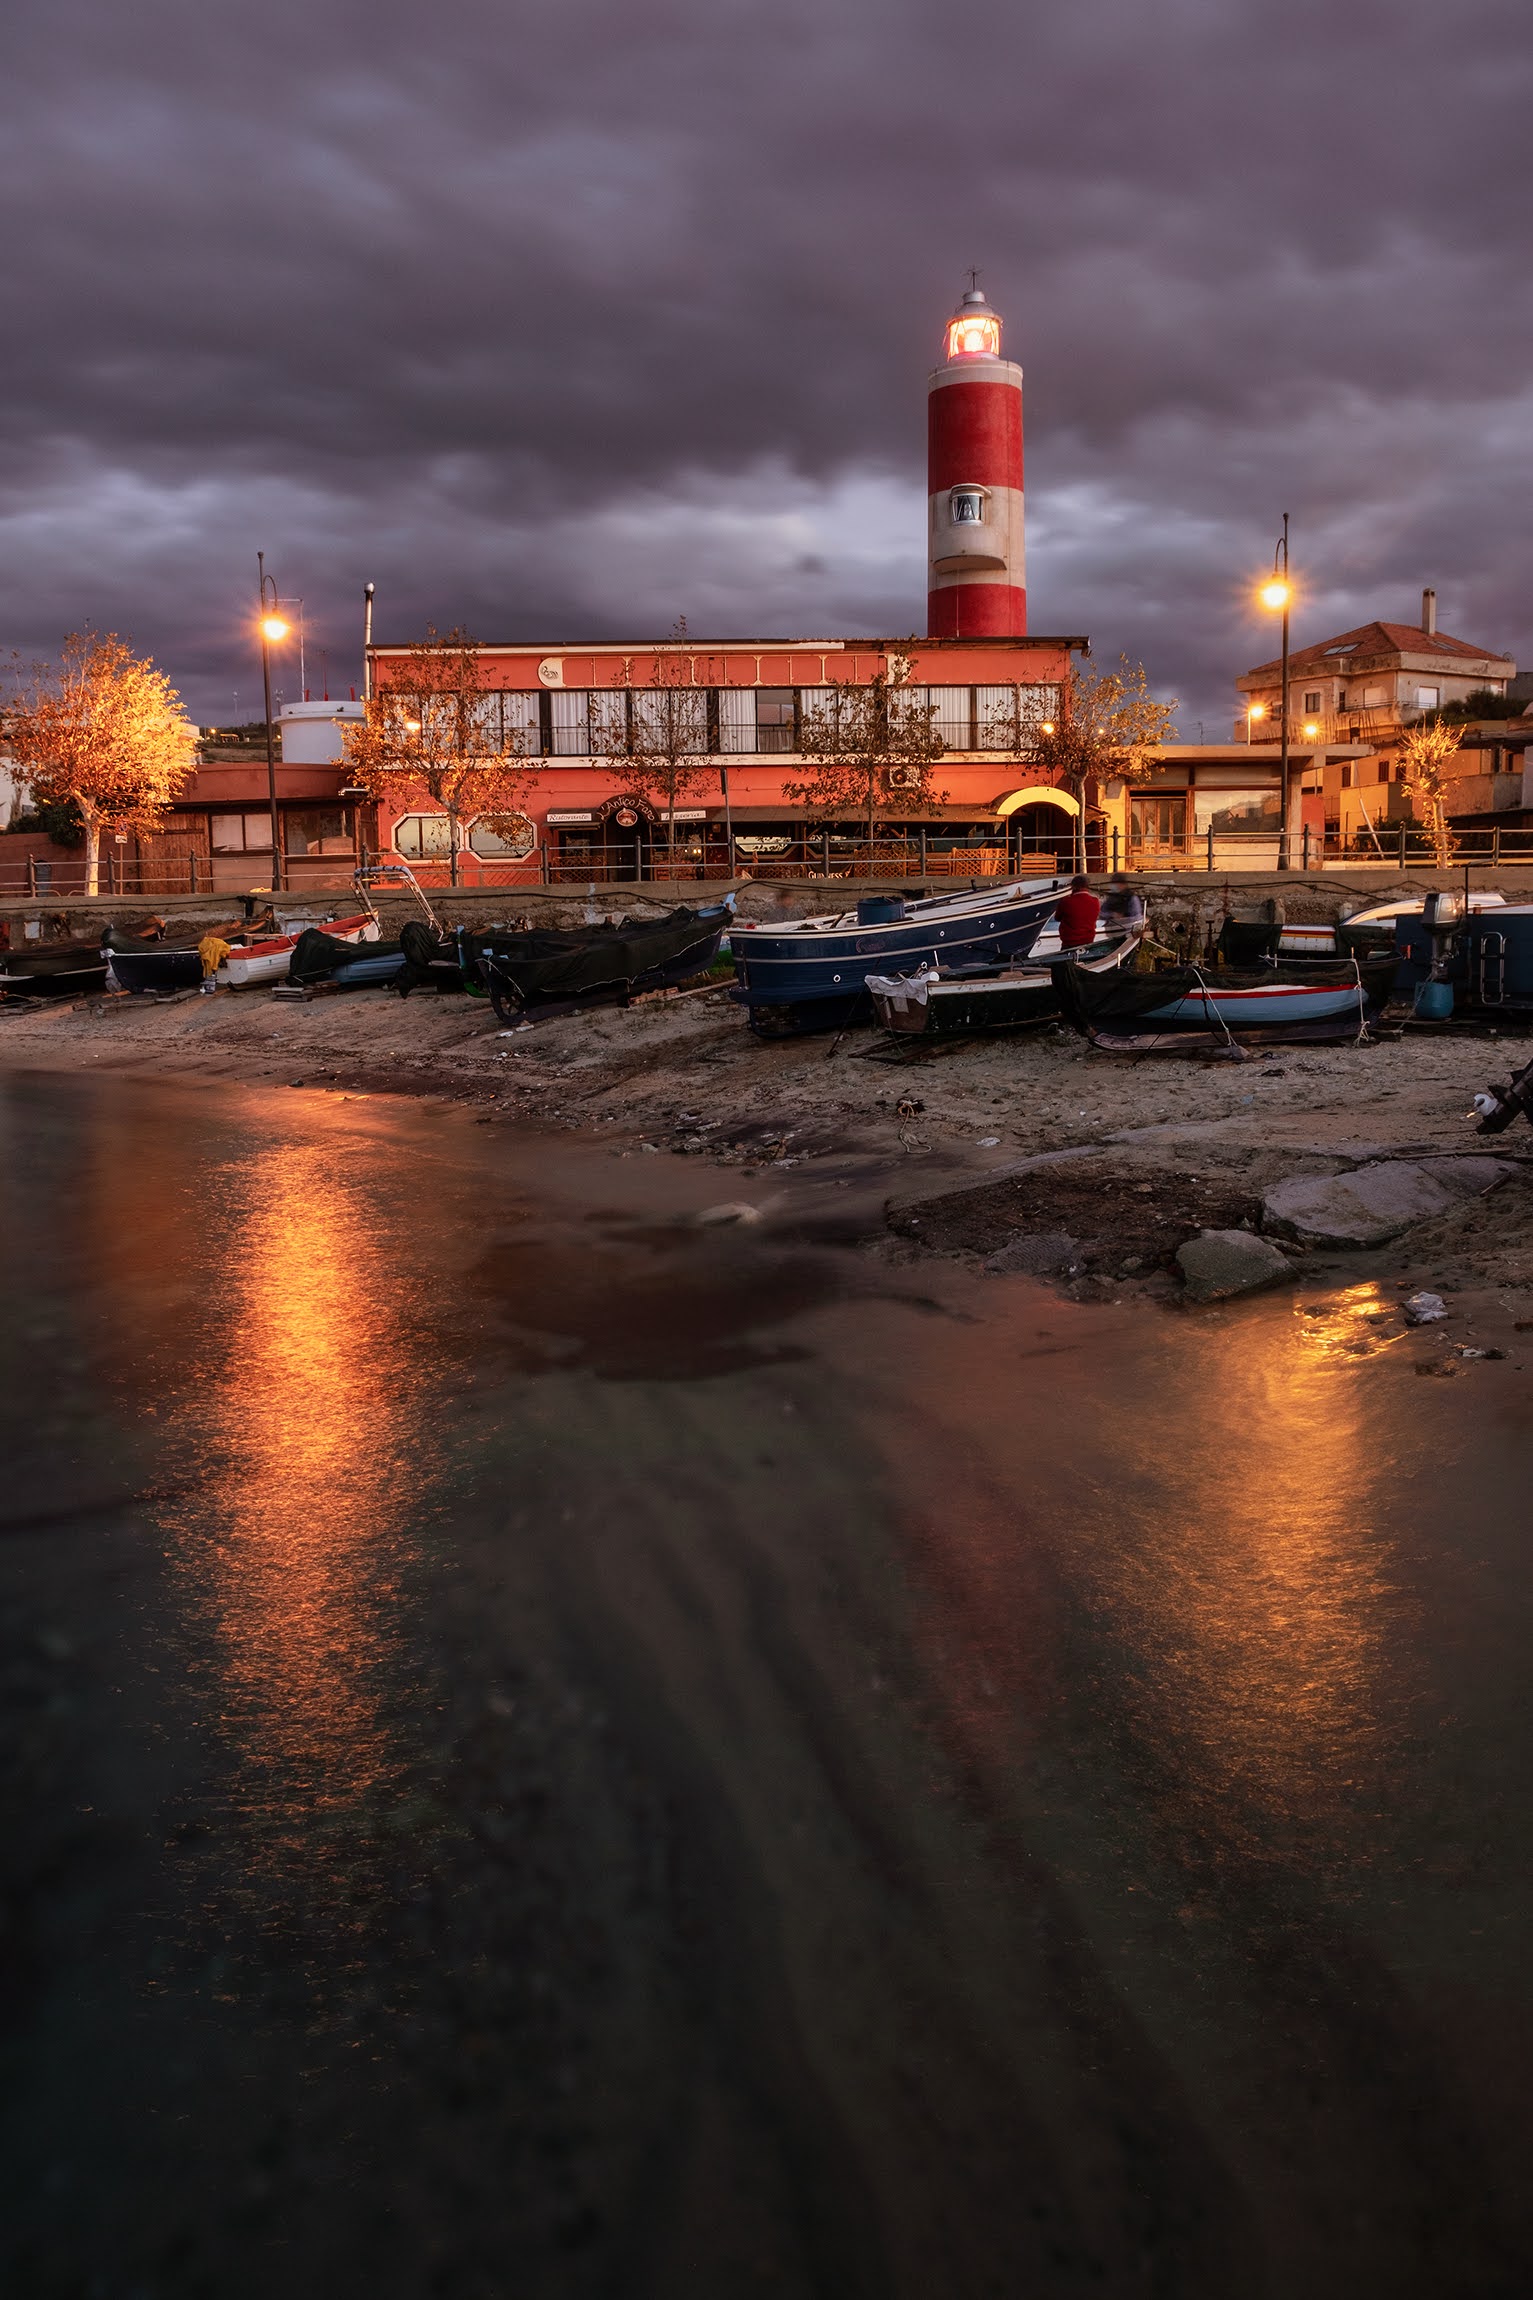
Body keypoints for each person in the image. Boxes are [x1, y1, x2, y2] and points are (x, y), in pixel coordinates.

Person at [1055, 874, 1100, 950]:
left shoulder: (1066, 901)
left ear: (1073, 886)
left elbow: (1057, 917)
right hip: (1088, 941)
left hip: (1069, 942)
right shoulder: (1095, 901)